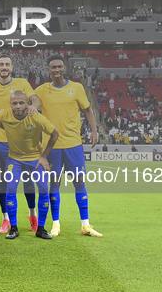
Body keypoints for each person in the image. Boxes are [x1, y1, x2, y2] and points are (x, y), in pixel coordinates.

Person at [35, 55, 102, 238]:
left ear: (64, 68)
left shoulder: (76, 87)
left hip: (74, 145)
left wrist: (94, 131)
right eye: (53, 67)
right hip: (52, 146)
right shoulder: (42, 90)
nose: (56, 69)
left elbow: (88, 109)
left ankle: (85, 225)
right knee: (54, 184)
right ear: (48, 70)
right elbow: (27, 100)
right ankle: (56, 224)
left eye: (59, 66)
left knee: (79, 183)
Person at [0, 55, 42, 234]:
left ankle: (32, 214)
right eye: (1, 64)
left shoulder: (22, 83)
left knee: (29, 180)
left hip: (23, 142)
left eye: (7, 64)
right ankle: (6, 218)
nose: (4, 67)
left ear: (12, 67)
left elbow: (36, 99)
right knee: (4, 181)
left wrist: (33, 107)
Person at [0, 91, 59, 240]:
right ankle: (14, 228)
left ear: (27, 103)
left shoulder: (35, 116)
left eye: (21, 103)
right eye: (14, 103)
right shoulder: (4, 115)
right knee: (10, 189)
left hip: (35, 160)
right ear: (10, 104)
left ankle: (41, 229)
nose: (18, 106)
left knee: (43, 188)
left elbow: (55, 133)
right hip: (14, 160)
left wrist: (44, 156)